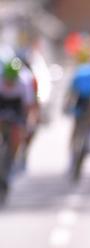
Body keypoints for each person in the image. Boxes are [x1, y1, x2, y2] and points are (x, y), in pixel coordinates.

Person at [0, 57, 37, 200]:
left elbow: (28, 107)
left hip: (17, 108)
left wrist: (25, 125)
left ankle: (12, 156)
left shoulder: (23, 82)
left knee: (17, 135)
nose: (9, 83)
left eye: (11, 81)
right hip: (2, 103)